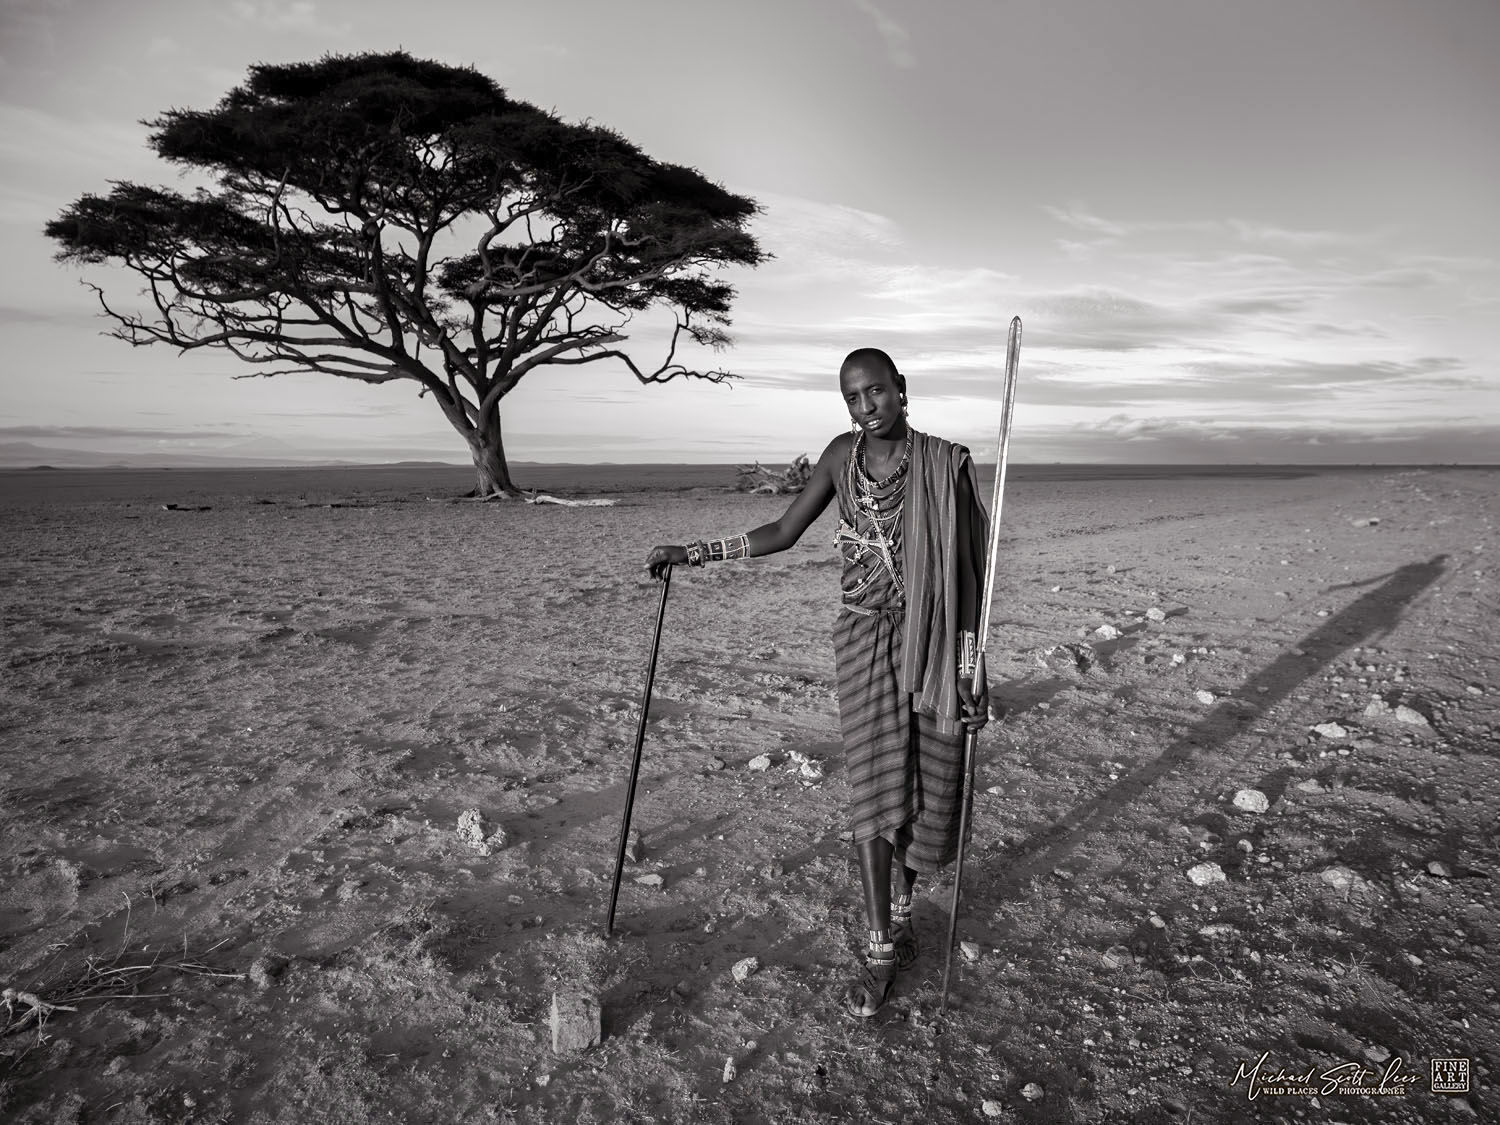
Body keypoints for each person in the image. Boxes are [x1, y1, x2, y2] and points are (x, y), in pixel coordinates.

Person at [644, 347, 991, 1018]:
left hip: (932, 640)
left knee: (923, 779)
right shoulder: (841, 456)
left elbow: (971, 576)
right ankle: (880, 943)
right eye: (854, 399)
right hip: (863, 638)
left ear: (902, 389)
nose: (868, 407)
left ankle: (901, 901)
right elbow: (783, 528)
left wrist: (970, 668)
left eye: (878, 392)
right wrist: (695, 552)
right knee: (873, 786)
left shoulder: (943, 464)